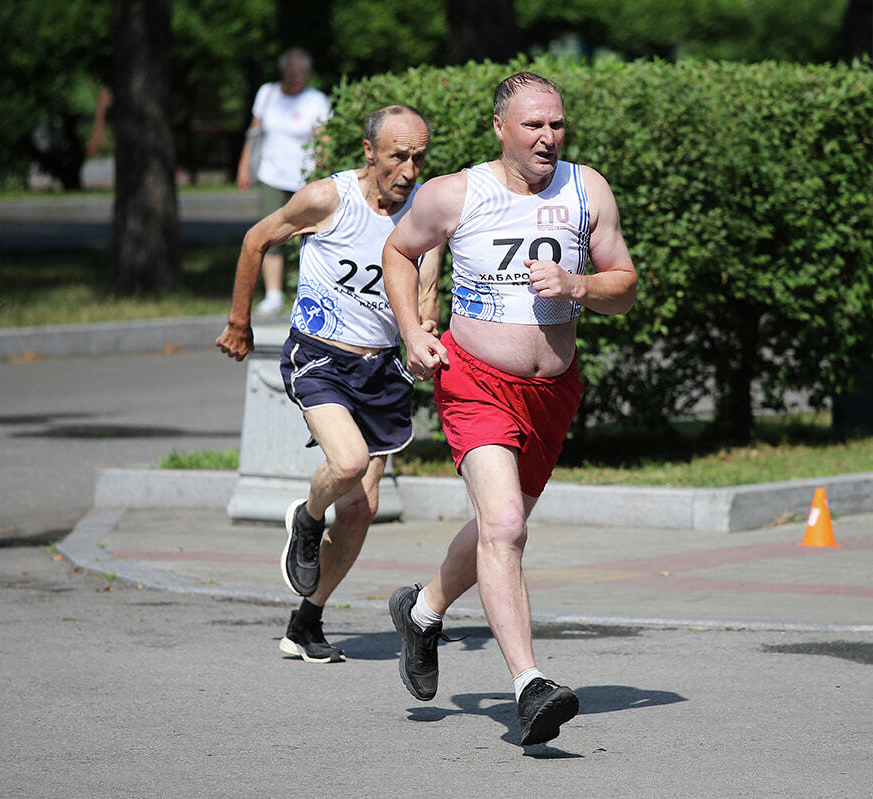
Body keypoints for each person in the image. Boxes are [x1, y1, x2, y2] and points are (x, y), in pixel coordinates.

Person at [380, 72, 637, 746]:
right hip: (474, 380)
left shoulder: (587, 188)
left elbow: (624, 287)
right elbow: (398, 252)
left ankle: (424, 608)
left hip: (553, 390)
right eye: (533, 125)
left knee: (504, 524)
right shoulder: (455, 194)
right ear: (501, 128)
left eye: (555, 124)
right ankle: (528, 683)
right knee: (504, 522)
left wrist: (579, 284)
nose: (547, 137)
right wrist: (413, 332)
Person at [217, 105, 442, 664]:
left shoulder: (427, 216)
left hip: (380, 369)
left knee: (363, 508)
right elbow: (255, 240)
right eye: (398, 157)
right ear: (370, 153)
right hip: (320, 355)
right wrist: (239, 321)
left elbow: (427, 291)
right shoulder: (328, 199)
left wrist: (424, 336)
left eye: (418, 157)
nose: (410, 170)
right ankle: (308, 518)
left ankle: (307, 621)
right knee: (346, 464)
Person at [236, 48, 331, 315]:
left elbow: (324, 140)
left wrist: (319, 174)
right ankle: (274, 293)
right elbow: (254, 133)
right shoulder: (267, 94)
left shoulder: (316, 101)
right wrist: (244, 165)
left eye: (300, 75)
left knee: (306, 235)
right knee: (270, 231)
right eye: (291, 75)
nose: (295, 80)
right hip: (271, 174)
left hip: (304, 178)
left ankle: (306, 290)